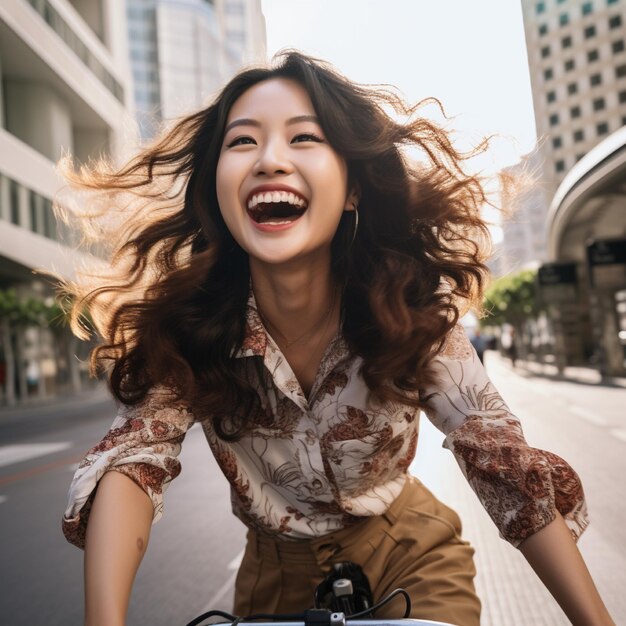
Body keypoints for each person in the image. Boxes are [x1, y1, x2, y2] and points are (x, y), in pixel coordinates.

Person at [60, 52, 614, 626]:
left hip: (412, 553)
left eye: (304, 138)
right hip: (271, 579)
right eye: (242, 142)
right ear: (217, 193)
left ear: (352, 189)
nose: (271, 159)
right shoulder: (189, 329)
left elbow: (501, 461)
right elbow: (131, 463)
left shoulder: (411, 308)